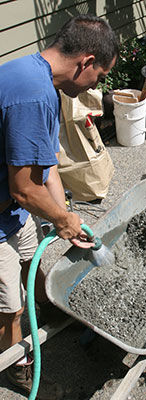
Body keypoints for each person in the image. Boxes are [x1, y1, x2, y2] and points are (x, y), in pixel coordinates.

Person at [0, 15, 118, 399]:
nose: (95, 85)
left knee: (31, 261)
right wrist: (63, 219)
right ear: (84, 61)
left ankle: (44, 310)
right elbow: (23, 190)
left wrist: (66, 214)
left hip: (13, 211)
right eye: (98, 76)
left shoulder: (38, 79)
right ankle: (17, 367)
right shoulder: (32, 95)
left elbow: (46, 165)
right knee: (9, 309)